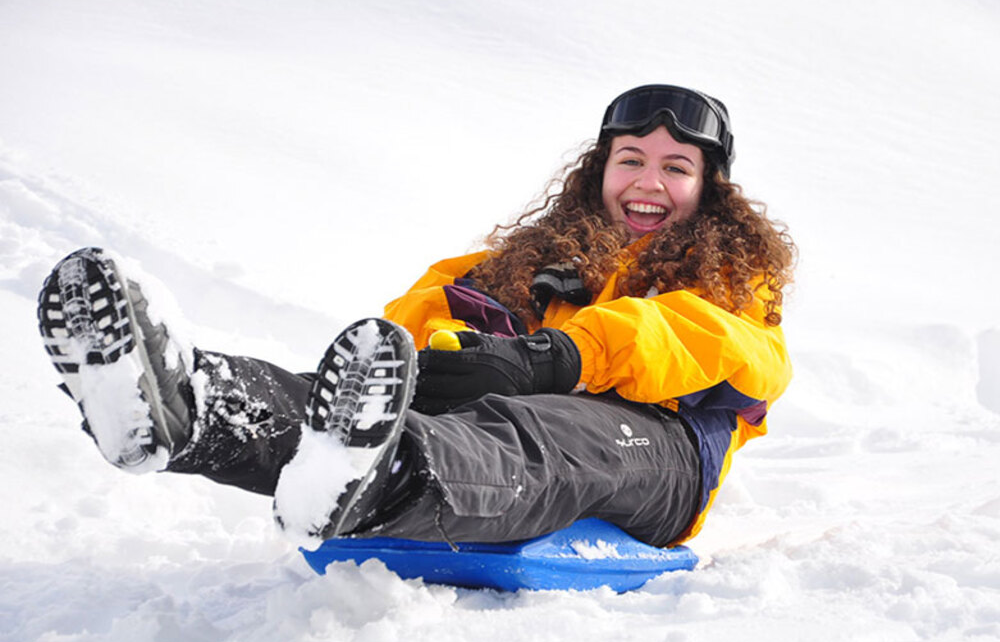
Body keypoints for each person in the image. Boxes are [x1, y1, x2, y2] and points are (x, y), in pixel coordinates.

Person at [37, 84, 795, 550]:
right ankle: (191, 406)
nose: (646, 182)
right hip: (516, 414)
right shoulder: (549, 253)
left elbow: (729, 347)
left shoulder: (734, 275)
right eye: (630, 158)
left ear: (710, 188)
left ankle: (386, 468)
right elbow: (434, 299)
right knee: (358, 401)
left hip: (656, 456)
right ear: (602, 169)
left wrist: (558, 356)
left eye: (675, 167)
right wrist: (438, 352)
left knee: (549, 433)